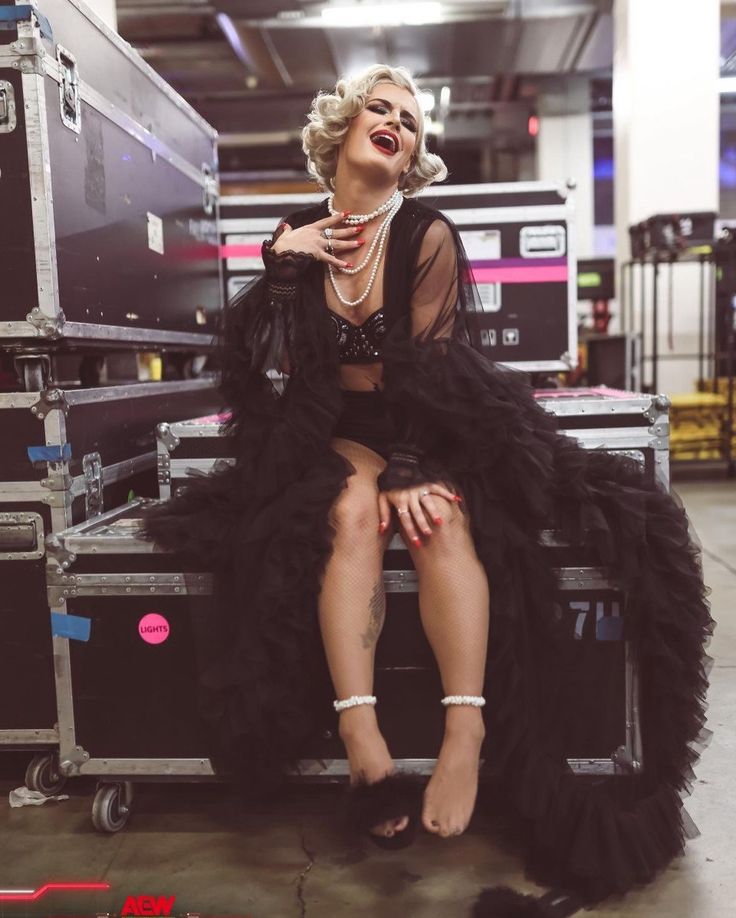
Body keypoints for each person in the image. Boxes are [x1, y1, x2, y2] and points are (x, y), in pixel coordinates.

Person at [143, 65, 712, 917]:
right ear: (341, 132)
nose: (397, 124)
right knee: (345, 510)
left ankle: (465, 731)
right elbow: (258, 365)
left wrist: (416, 465)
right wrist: (277, 260)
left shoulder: (427, 233)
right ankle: (359, 730)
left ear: (410, 159)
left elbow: (431, 369)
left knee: (436, 517)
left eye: (410, 122)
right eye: (381, 109)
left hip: (434, 417)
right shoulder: (294, 233)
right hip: (331, 428)